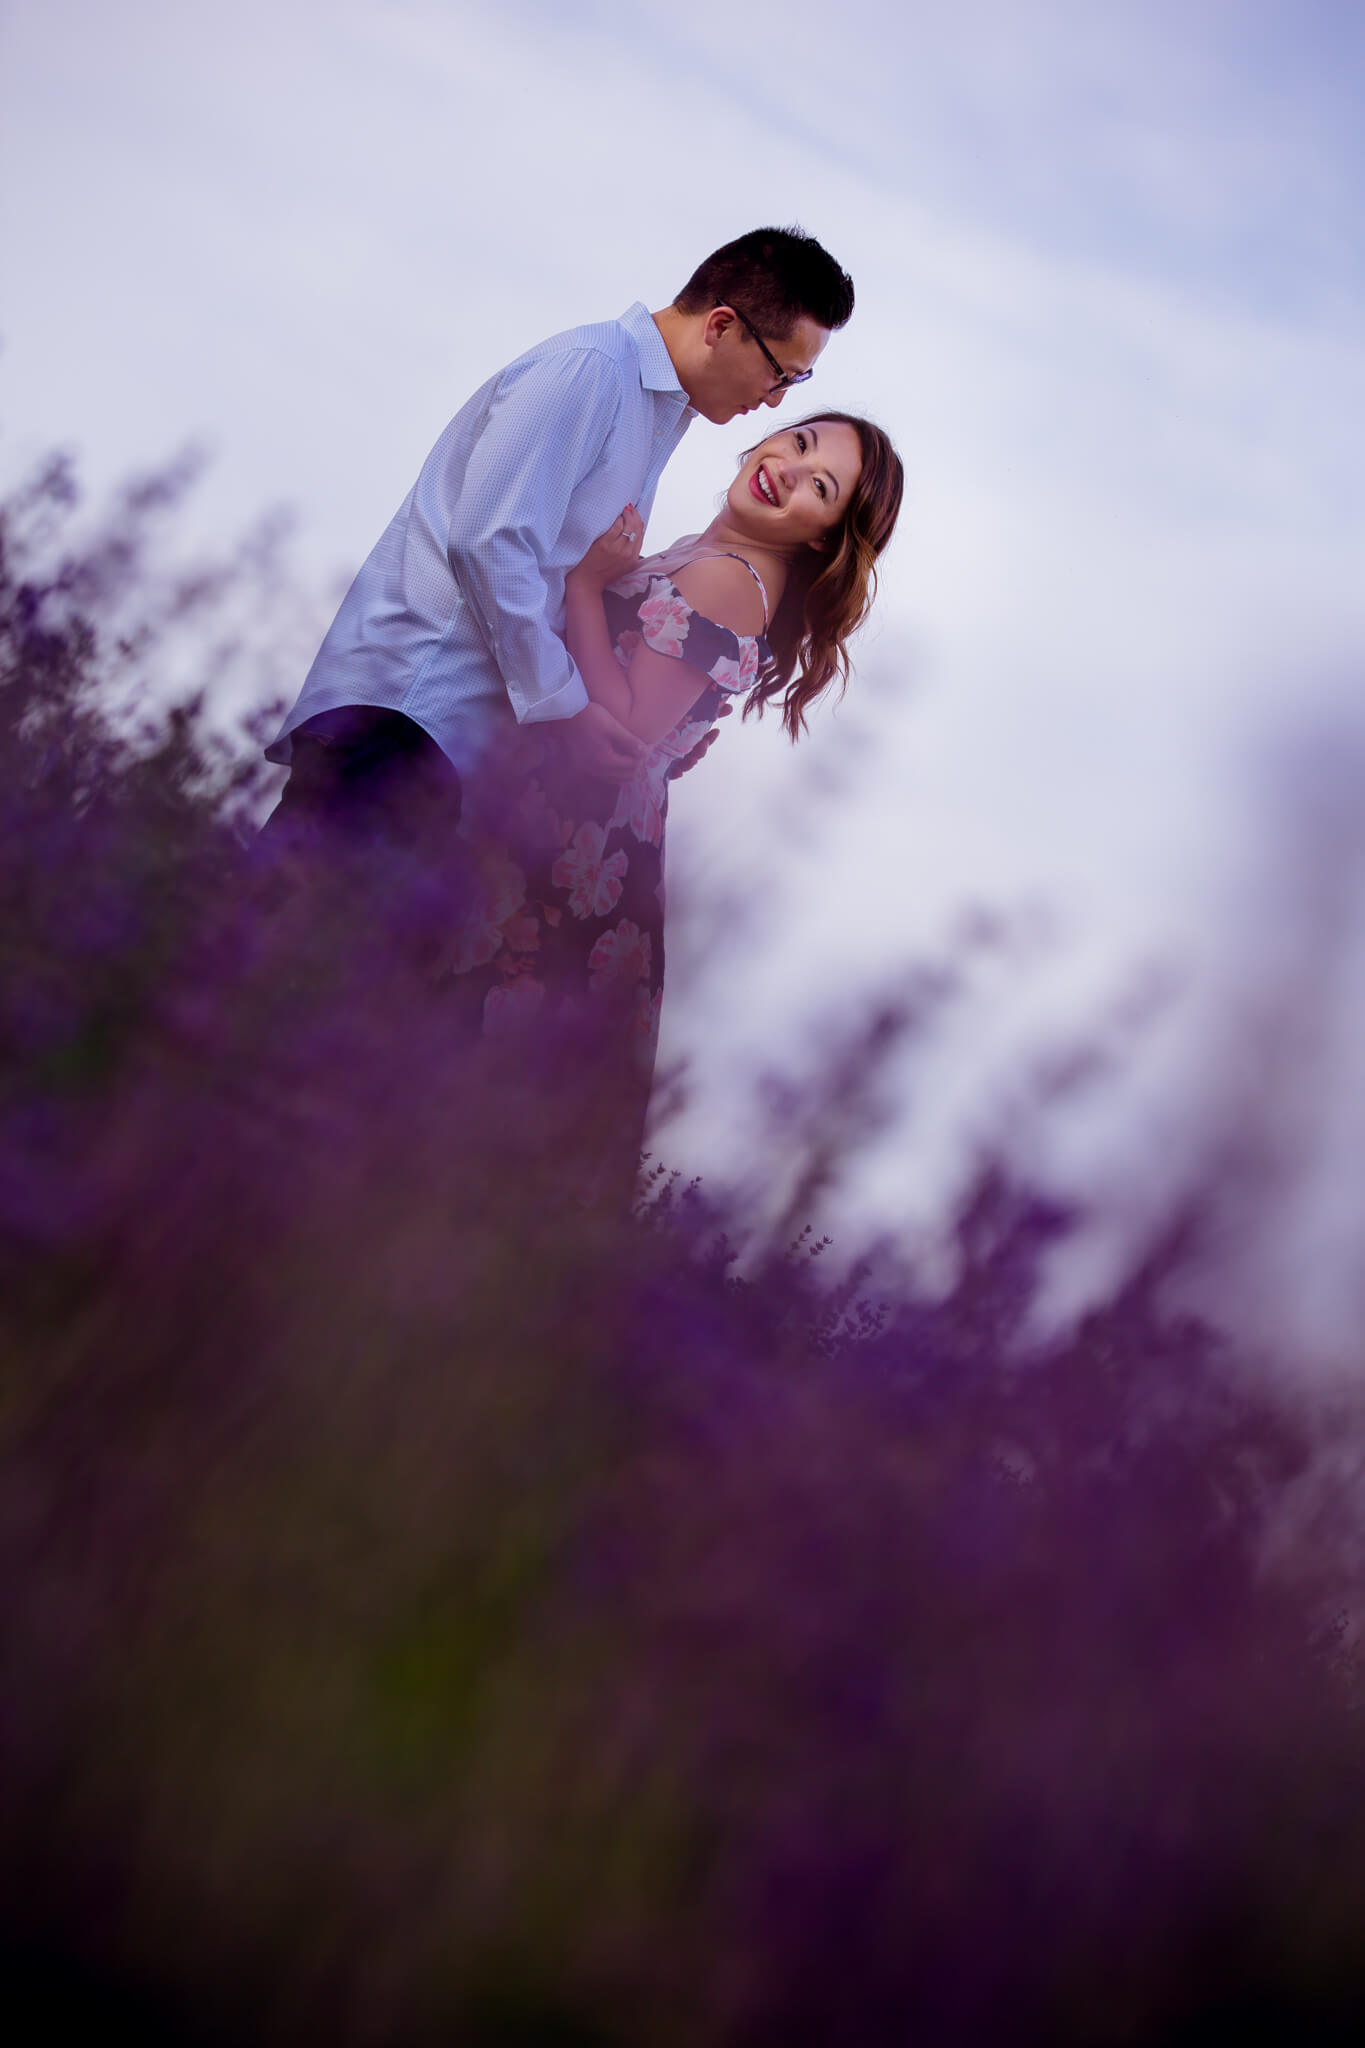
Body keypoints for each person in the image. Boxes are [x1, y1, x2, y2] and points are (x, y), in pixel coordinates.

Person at [260, 226, 856, 860]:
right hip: (412, 714)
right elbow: (491, 544)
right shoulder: (592, 372)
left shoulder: (653, 411)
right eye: (779, 373)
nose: (774, 401)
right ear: (720, 327)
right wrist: (570, 708)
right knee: (267, 938)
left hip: (451, 749)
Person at [442, 410, 904, 1200]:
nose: (789, 469)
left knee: (468, 1096)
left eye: (819, 486)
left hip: (561, 863)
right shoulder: (713, 555)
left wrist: (587, 584)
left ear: (824, 536)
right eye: (797, 443)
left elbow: (617, 729)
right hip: (563, 839)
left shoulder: (730, 581)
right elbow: (658, 745)